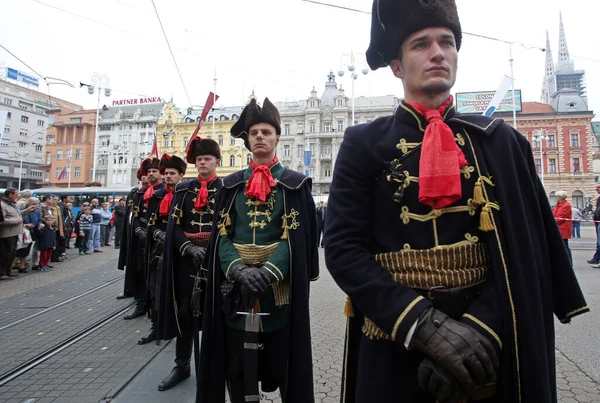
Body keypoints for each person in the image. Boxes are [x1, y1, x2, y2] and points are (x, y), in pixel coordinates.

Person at [324, 1, 589, 402]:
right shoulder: (363, 144)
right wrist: (424, 326)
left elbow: (527, 254)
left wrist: (478, 330)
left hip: (485, 347)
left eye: (447, 42)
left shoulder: (501, 142)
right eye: (421, 44)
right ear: (397, 65)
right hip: (394, 340)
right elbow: (343, 250)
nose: (437, 53)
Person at [197, 98, 319, 403]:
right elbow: (221, 237)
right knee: (236, 373)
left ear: (278, 137)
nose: (260, 136)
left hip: (279, 298)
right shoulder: (230, 186)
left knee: (286, 369)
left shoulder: (295, 185)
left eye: (266, 131)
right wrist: (237, 269)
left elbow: (298, 240)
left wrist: (267, 271)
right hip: (236, 294)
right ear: (247, 140)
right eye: (254, 133)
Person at [157, 138, 222, 391]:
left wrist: (212, 248)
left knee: (216, 315)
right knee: (185, 314)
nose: (203, 162)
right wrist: (188, 247)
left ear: (217, 161)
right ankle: (182, 365)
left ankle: (215, 366)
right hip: (187, 262)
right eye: (199, 159)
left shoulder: (228, 189)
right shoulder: (183, 191)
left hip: (216, 262)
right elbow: (173, 227)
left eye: (207, 158)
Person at [138, 153, 183, 347]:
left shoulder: (186, 194)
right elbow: (152, 223)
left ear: (181, 175)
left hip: (180, 251)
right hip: (159, 250)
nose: (168, 177)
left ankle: (178, 327)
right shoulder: (157, 196)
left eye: (172, 173)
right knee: (156, 291)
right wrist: (160, 235)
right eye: (166, 173)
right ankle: (156, 326)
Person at [122, 158, 161, 319]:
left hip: (156, 240)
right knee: (139, 271)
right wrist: (138, 230)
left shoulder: (164, 191)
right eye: (149, 172)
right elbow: (135, 214)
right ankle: (140, 304)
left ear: (160, 173)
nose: (151, 174)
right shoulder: (139, 193)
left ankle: (154, 308)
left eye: (154, 171)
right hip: (140, 239)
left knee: (154, 276)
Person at [0, 188, 34, 280]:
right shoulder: (2, 205)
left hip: (15, 232)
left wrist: (27, 211)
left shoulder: (12, 204)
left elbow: (18, 215)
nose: (17, 196)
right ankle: (1, 273)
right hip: (7, 233)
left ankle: (8, 271)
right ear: (10, 195)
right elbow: (2, 220)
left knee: (12, 253)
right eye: (15, 194)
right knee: (5, 254)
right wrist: (16, 221)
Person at [17, 197, 41, 273]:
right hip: (23, 231)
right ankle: (17, 265)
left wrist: (40, 224)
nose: (34, 206)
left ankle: (23, 266)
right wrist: (25, 225)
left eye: (36, 204)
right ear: (28, 203)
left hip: (33, 231)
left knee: (27, 249)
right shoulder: (21, 209)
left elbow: (39, 220)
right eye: (33, 204)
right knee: (20, 249)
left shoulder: (37, 211)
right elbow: (18, 219)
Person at [553, 191, 573, 266]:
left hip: (563, 228)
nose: (556, 198)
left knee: (565, 246)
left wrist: (553, 221)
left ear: (561, 197)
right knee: (561, 246)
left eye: (557, 196)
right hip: (558, 228)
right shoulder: (557, 205)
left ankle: (569, 263)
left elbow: (562, 217)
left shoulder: (566, 205)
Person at [587, 183, 600, 265]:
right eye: (596, 188)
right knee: (599, 242)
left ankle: (596, 258)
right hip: (598, 222)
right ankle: (596, 258)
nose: (597, 189)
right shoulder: (598, 199)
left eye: (598, 187)